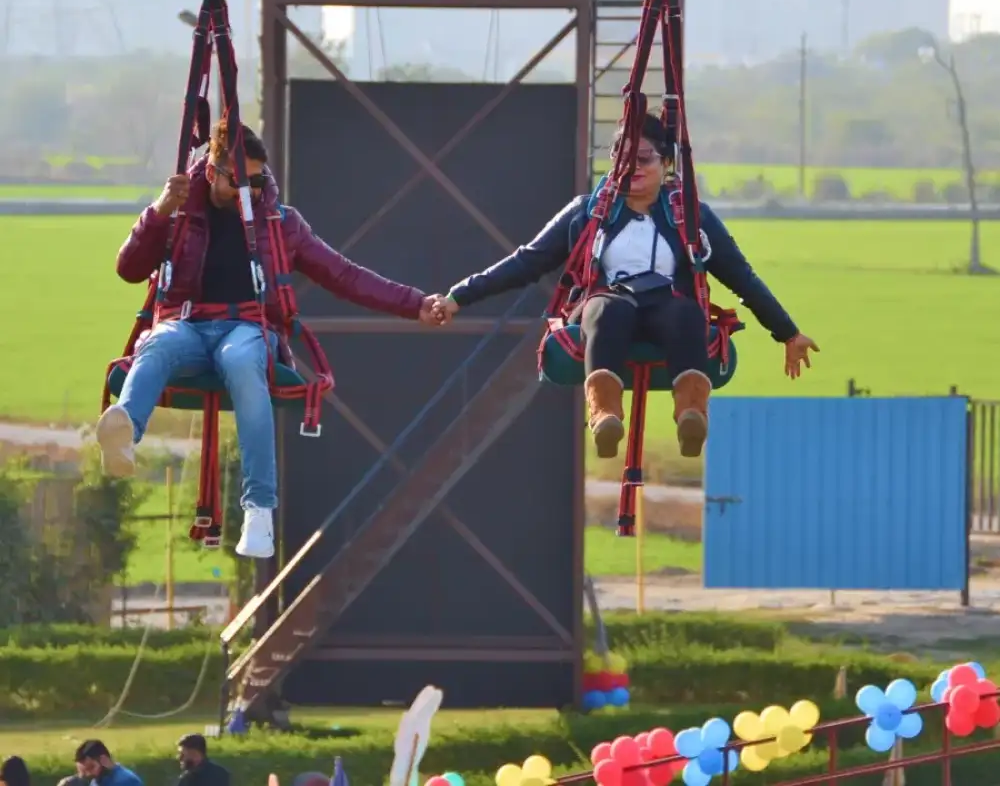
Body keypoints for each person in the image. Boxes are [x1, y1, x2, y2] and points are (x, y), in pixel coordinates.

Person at [97, 122, 447, 559]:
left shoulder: (281, 224)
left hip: (247, 327)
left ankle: (259, 508)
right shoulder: (181, 213)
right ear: (211, 171)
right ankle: (125, 434)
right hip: (186, 323)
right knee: (156, 346)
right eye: (239, 180)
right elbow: (129, 269)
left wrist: (413, 303)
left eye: (258, 180)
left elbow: (343, 275)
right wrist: (159, 211)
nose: (251, 190)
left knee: (244, 363)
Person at [434, 114, 818, 459]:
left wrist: (786, 332)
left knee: (686, 312)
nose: (632, 168)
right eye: (623, 159)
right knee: (609, 309)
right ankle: (604, 414)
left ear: (665, 163)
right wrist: (458, 296)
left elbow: (739, 275)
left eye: (644, 159)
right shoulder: (587, 213)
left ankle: (691, 414)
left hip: (666, 306)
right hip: (606, 306)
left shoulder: (690, 216)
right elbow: (526, 262)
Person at [73, 742, 142, 786]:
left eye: (91, 768)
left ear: (104, 760)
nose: (88, 774)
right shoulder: (98, 781)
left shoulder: (126, 781)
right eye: (83, 771)